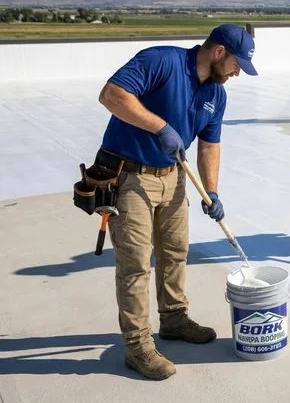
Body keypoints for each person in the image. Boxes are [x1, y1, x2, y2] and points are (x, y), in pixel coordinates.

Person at [94, 24, 257, 380]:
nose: (238, 72)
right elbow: (111, 95)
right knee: (136, 263)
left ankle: (173, 319)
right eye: (236, 63)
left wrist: (211, 191)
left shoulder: (217, 93)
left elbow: (210, 144)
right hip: (129, 176)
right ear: (218, 52)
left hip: (174, 177)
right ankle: (137, 347)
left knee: (175, 251)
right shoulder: (162, 61)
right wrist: (159, 127)